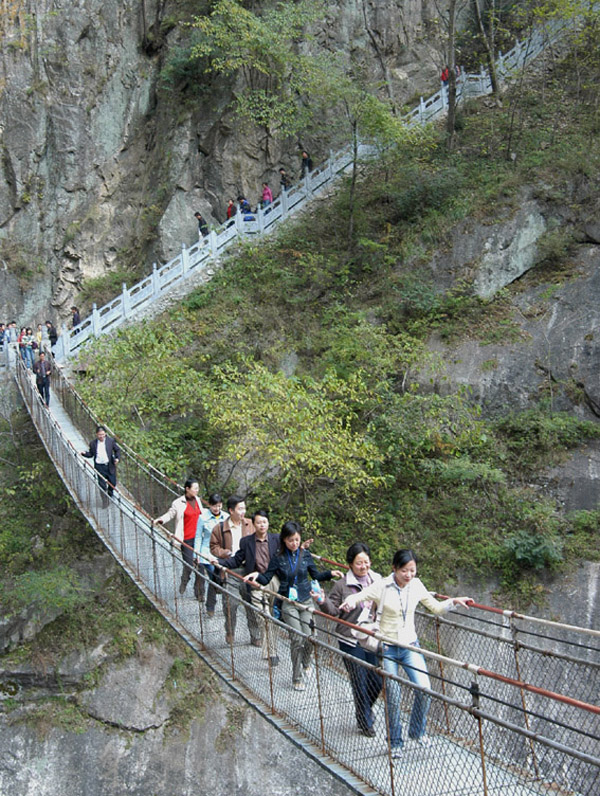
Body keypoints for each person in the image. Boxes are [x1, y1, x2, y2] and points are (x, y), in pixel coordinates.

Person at [340, 549, 472, 757]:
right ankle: (395, 743)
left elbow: (436, 608)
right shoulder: (382, 585)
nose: (408, 575)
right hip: (388, 648)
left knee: (424, 687)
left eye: (412, 570)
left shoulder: (417, 585)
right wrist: (350, 601)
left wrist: (453, 602)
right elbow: (360, 596)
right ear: (394, 568)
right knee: (393, 694)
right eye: (404, 571)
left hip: (410, 646)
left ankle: (417, 732)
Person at [245, 521, 342, 691]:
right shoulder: (278, 558)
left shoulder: (305, 555)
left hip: (305, 599)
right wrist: (256, 576)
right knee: (297, 638)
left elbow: (315, 575)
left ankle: (306, 662)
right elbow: (267, 577)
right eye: (291, 540)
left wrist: (329, 574)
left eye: (297, 540)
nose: (294, 544)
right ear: (284, 540)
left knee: (311, 637)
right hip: (288, 602)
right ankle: (297, 677)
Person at [312, 542, 383, 736]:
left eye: (366, 562)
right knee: (359, 680)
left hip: (371, 636)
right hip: (349, 638)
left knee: (377, 680)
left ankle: (364, 709)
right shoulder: (342, 585)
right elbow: (334, 611)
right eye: (359, 563)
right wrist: (322, 601)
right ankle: (365, 720)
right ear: (350, 564)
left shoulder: (377, 580)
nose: (364, 567)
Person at [218, 510, 280, 662]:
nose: (262, 525)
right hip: (255, 581)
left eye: (264, 522)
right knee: (263, 616)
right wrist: (219, 563)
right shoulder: (246, 542)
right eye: (258, 522)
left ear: (268, 523)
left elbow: (289, 553)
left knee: (274, 615)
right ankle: (271, 653)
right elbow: (237, 560)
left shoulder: (276, 539)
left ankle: (271, 648)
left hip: (273, 580)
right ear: (254, 524)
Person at [210, 495, 254, 643]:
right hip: (230, 570)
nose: (243, 511)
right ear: (231, 510)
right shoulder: (221, 527)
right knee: (230, 603)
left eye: (244, 508)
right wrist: (224, 553)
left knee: (251, 603)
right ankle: (230, 632)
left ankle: (255, 636)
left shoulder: (250, 525)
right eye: (240, 508)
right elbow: (213, 546)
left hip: (248, 569)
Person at [155, 478, 204, 597]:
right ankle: (184, 581)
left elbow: (203, 515)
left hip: (198, 539)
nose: (197, 491)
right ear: (187, 489)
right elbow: (170, 514)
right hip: (186, 539)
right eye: (195, 488)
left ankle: (200, 593)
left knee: (201, 566)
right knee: (189, 566)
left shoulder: (198, 500)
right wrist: (161, 519)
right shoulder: (178, 503)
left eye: (198, 488)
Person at [193, 492, 229, 613]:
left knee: (218, 579)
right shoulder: (203, 518)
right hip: (206, 553)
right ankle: (211, 606)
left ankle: (212, 604)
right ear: (210, 505)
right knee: (213, 576)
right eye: (214, 506)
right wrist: (196, 554)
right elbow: (198, 537)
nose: (217, 509)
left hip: (221, 553)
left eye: (219, 506)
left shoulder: (226, 517)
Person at [81, 425, 121, 500]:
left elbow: (117, 450)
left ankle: (110, 494)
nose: (101, 436)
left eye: (103, 434)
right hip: (99, 467)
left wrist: (117, 458)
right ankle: (105, 502)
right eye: (99, 435)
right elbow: (91, 454)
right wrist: (84, 453)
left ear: (105, 434)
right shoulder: (93, 443)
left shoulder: (110, 441)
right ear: (96, 434)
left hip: (109, 465)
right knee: (102, 486)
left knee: (113, 483)